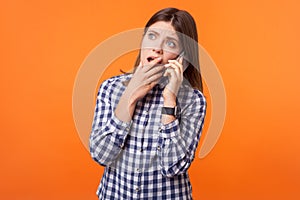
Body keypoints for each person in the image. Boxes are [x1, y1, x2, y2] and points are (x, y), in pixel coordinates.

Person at [89, 7, 206, 199]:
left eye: (170, 43)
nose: (157, 48)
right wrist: (131, 95)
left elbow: (173, 167)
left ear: (183, 56)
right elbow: (101, 155)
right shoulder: (110, 88)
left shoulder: (194, 101)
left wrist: (170, 98)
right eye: (152, 36)